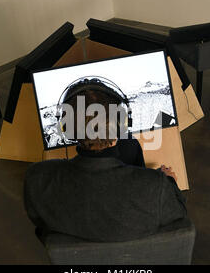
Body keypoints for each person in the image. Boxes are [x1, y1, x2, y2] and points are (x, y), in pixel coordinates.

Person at [24, 80, 187, 243]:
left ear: (66, 128)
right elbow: (178, 215)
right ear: (123, 123)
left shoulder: (36, 178)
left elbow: (41, 225)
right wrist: (169, 182)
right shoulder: (155, 185)